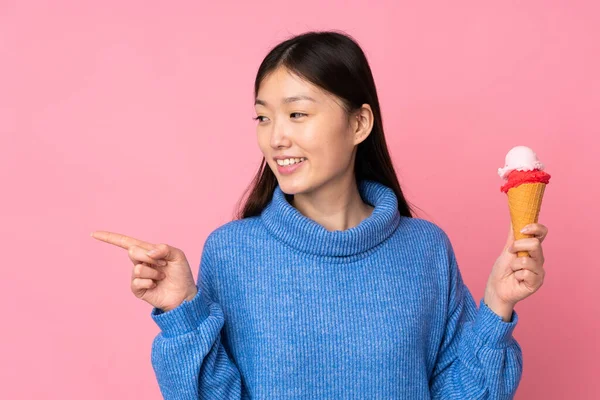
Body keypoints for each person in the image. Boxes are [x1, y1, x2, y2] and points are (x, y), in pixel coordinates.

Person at [91, 30, 548, 399]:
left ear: (358, 124)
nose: (276, 139)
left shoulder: (425, 248)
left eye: (297, 114)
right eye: (263, 118)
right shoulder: (231, 252)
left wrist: (496, 306)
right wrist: (181, 312)